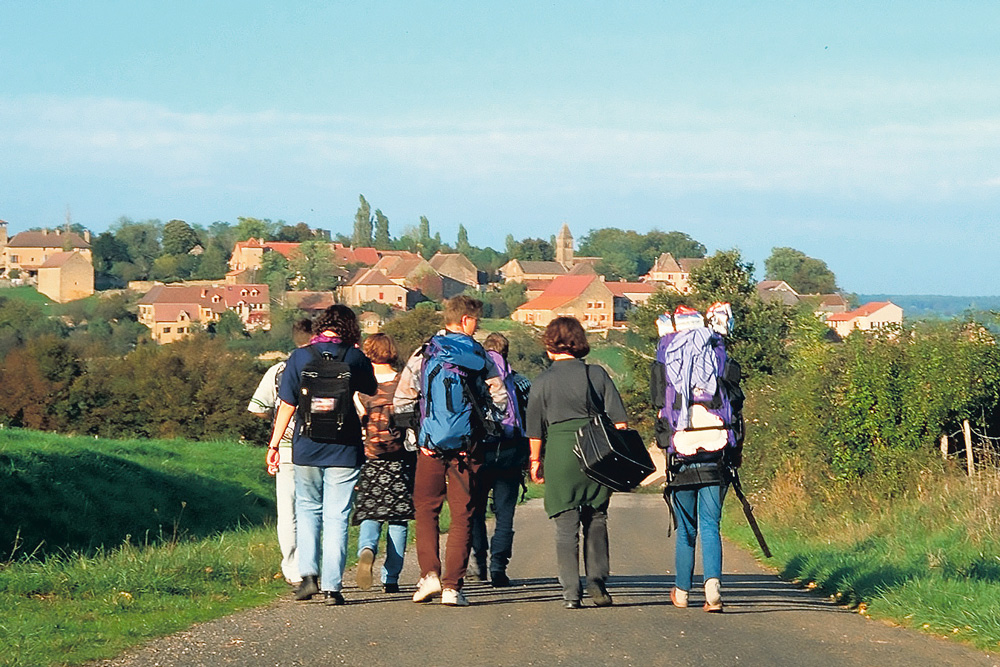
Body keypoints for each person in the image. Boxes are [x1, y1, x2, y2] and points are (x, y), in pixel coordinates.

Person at [393, 295, 507, 607]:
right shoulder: (478, 354)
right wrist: (485, 427)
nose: (477, 326)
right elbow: (499, 399)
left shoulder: (424, 352)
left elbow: (402, 400)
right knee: (463, 514)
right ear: (466, 320)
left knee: (426, 510)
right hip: (466, 449)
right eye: (476, 321)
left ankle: (429, 575)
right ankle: (452, 587)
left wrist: (418, 437)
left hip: (429, 446)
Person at [266, 305, 377, 605]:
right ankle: (333, 587)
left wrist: (274, 445)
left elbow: (287, 404)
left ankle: (308, 577)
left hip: (307, 445)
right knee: (337, 516)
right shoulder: (353, 356)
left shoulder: (300, 357)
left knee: (307, 510)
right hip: (345, 446)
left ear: (321, 326)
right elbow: (371, 387)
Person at [526, 316, 628, 609]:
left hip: (559, 452)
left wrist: (535, 461)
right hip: (594, 453)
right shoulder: (596, 375)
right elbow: (620, 421)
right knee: (596, 518)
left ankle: (571, 593)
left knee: (565, 525)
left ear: (549, 344)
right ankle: (597, 583)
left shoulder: (542, 382)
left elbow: (535, 430)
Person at [250, 317, 313, 587]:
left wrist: (276, 420)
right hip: (319, 446)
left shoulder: (278, 370)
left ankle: (292, 568)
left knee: (288, 511)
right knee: (314, 508)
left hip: (286, 447)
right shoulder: (327, 366)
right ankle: (315, 564)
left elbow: (256, 407)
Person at [352, 333, 415, 595]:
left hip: (370, 459)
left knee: (371, 513)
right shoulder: (404, 383)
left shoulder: (360, 387)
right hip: (400, 459)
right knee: (398, 519)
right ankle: (391, 577)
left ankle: (367, 549)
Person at [469, 332, 531, 587]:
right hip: (511, 450)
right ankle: (498, 568)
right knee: (505, 514)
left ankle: (480, 563)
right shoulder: (522, 382)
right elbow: (529, 418)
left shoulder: (476, 378)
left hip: (481, 450)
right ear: (506, 352)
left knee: (476, 511)